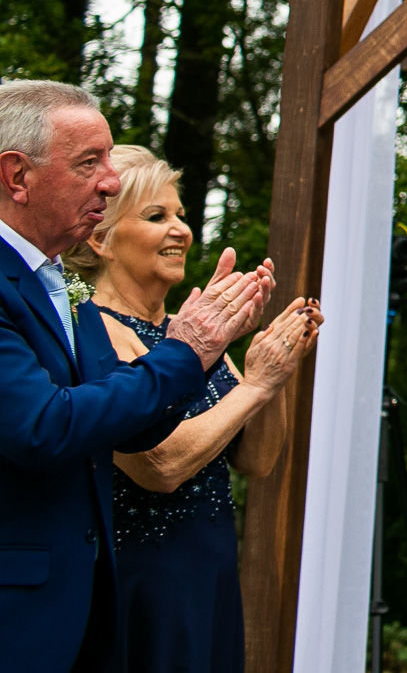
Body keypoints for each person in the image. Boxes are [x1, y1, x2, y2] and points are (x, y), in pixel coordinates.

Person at [0, 80, 270, 673]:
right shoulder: (65, 304)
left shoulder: (48, 285)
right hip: (27, 614)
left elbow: (127, 427)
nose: (109, 180)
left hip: (94, 600)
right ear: (17, 177)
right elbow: (44, 427)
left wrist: (260, 368)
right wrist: (191, 352)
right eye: (88, 163)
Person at [62, 146, 323, 673]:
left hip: (211, 570)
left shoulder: (194, 331)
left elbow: (258, 461)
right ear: (100, 239)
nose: (181, 229)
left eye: (180, 215)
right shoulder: (90, 334)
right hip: (142, 582)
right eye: (157, 217)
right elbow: (161, 466)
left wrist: (274, 370)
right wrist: (253, 388)